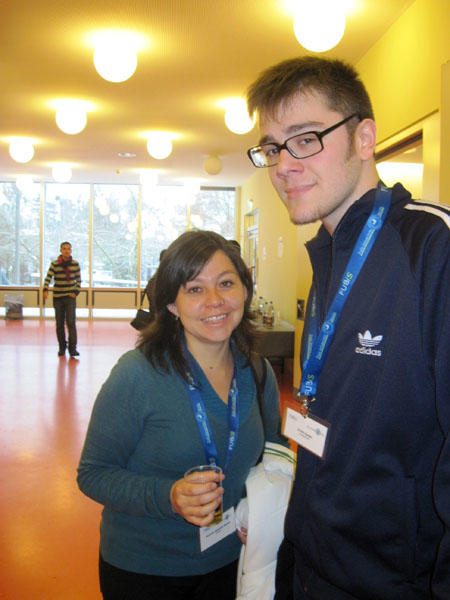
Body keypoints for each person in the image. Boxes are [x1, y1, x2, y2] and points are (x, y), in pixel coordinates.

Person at [246, 56, 450, 599]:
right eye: (272, 148)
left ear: (364, 138)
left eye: (305, 139)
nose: (283, 166)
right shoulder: (327, 257)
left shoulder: (433, 248)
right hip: (311, 562)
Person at [77, 230, 286, 600]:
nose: (215, 300)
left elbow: (272, 452)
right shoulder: (137, 374)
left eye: (226, 283)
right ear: (172, 304)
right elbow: (93, 474)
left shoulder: (257, 372)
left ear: (245, 290)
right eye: (194, 289)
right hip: (145, 569)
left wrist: (258, 510)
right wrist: (168, 495)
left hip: (230, 561)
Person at [43, 241, 81, 357]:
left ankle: (72, 348)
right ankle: (62, 347)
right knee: (59, 324)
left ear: (71, 251)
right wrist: (45, 289)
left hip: (70, 298)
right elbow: (48, 278)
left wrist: (76, 292)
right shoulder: (54, 264)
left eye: (68, 248)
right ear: (60, 250)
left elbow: (79, 280)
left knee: (71, 323)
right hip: (58, 298)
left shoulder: (75, 264)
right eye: (64, 248)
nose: (66, 251)